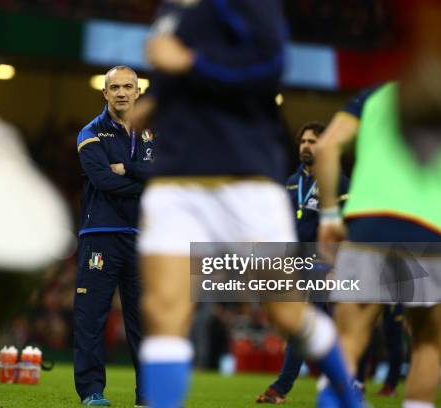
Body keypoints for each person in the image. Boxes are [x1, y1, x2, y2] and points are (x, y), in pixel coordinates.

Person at [133, 1, 360, 407]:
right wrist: (156, 102)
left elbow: (269, 63)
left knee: (288, 314)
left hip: (246, 178)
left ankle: (348, 395)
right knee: (162, 311)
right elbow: (175, 77)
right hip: (175, 178)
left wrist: (190, 62)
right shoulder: (170, 8)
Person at [315, 82, 441, 408]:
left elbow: (327, 147)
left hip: (369, 228)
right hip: (431, 230)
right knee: (428, 344)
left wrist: (329, 215)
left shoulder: (375, 93)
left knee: (347, 340)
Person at [74, 65, 152, 406]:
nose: (121, 93)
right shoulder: (90, 133)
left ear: (138, 92)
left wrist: (132, 171)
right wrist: (145, 182)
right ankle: (92, 392)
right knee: (92, 316)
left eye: (128, 87)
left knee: (144, 321)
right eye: (115, 87)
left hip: (142, 237)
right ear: (105, 93)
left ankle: (148, 396)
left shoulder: (152, 134)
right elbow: (104, 181)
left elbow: (166, 173)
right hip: (100, 235)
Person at [257, 122, 350, 404]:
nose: (306, 146)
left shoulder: (338, 183)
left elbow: (346, 228)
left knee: (304, 326)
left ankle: (281, 388)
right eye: (303, 141)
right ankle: (345, 382)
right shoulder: (290, 182)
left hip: (320, 263)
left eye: (313, 141)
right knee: (304, 327)